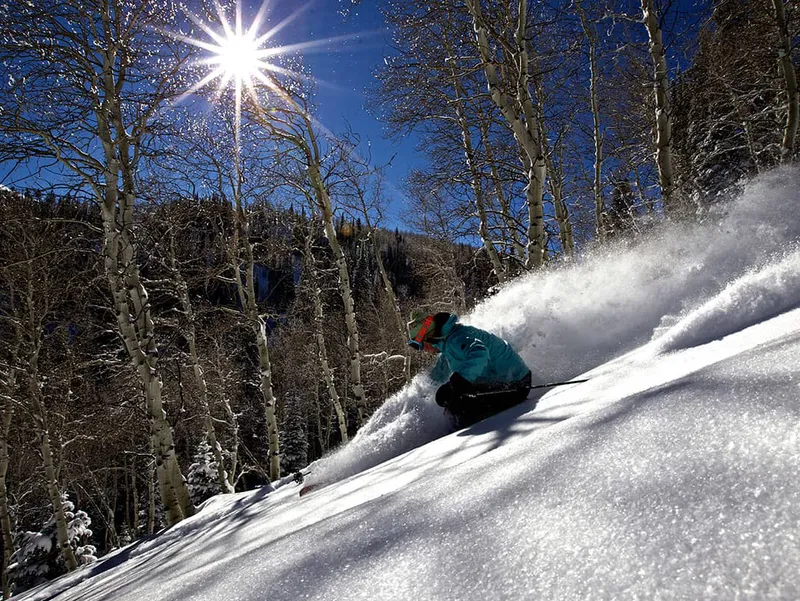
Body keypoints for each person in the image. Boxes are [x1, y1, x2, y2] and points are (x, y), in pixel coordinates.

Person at [407, 312, 532, 428]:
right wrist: (421, 396)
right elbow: (436, 377)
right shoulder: (447, 347)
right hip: (502, 383)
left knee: (460, 405)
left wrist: (459, 381)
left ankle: (463, 438)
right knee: (449, 399)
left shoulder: (458, 338)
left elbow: (480, 352)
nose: (424, 350)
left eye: (421, 345)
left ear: (429, 337)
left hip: (516, 385)